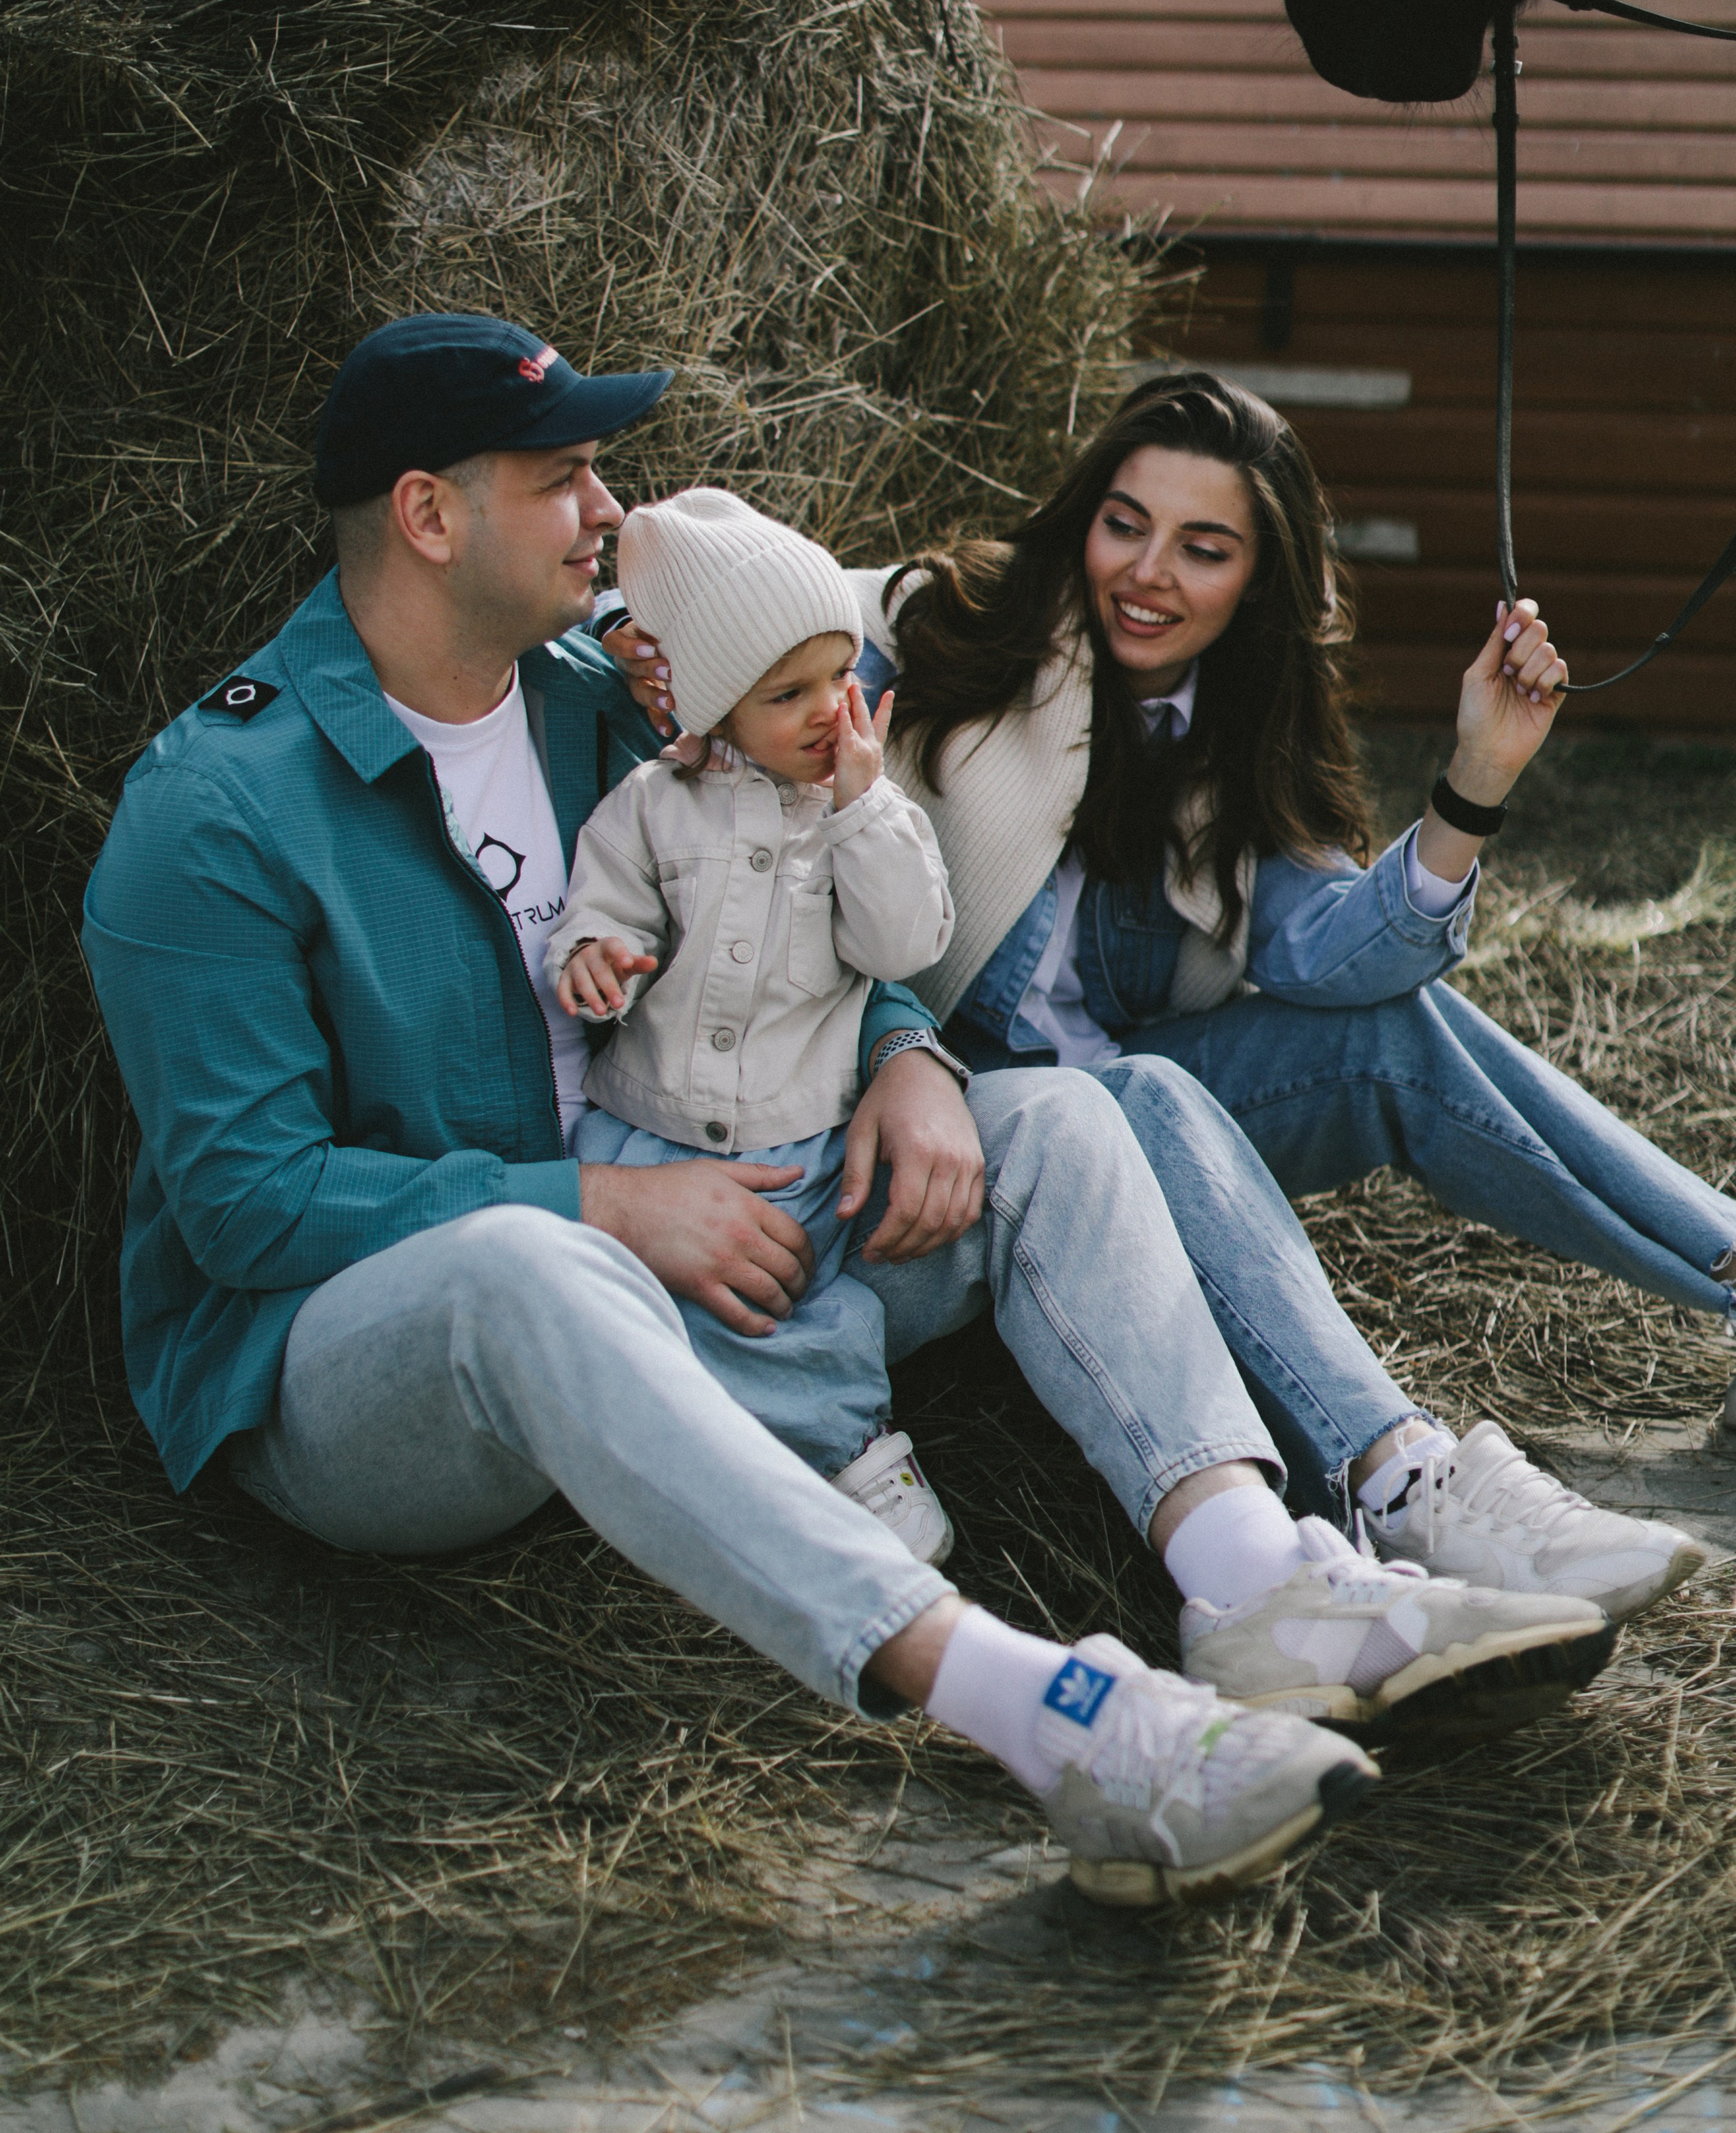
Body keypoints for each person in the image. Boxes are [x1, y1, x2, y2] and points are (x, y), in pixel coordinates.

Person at [83, 315, 1619, 1918]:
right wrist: (598, 1209)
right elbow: (247, 1209)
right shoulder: (216, 809)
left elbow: (811, 897)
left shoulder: (605, 703)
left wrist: (906, 1052)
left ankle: (1256, 1581)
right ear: (426, 515)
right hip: (369, 1375)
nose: (610, 514)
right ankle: (1050, 1716)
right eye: (565, 479)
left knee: (1062, 1122)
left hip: (731, 1224)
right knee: (532, 1275)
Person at [623, 365, 1708, 1619]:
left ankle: (1716, 1275)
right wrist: (632, 639)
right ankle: (1399, 1478)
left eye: (1205, 548)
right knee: (1127, 1089)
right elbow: (734, 602)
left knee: (1383, 1030)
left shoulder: (1242, 739)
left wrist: (1474, 780)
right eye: (1126, 523)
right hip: (932, 1135)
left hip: (1145, 1121)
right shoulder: (946, 618)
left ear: (1260, 580)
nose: (1148, 573)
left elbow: (1342, 958)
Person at [549, 486, 958, 1559]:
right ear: (717, 707)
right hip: (642, 1126)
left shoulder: (867, 812)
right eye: (790, 693)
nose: (832, 709)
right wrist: (598, 957)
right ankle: (715, 1473)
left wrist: (867, 812)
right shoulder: (650, 801)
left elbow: (904, 945)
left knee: (801, 1297)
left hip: (798, 1134)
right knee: (644, 1307)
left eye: (842, 676)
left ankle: (852, 1452)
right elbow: (605, 901)